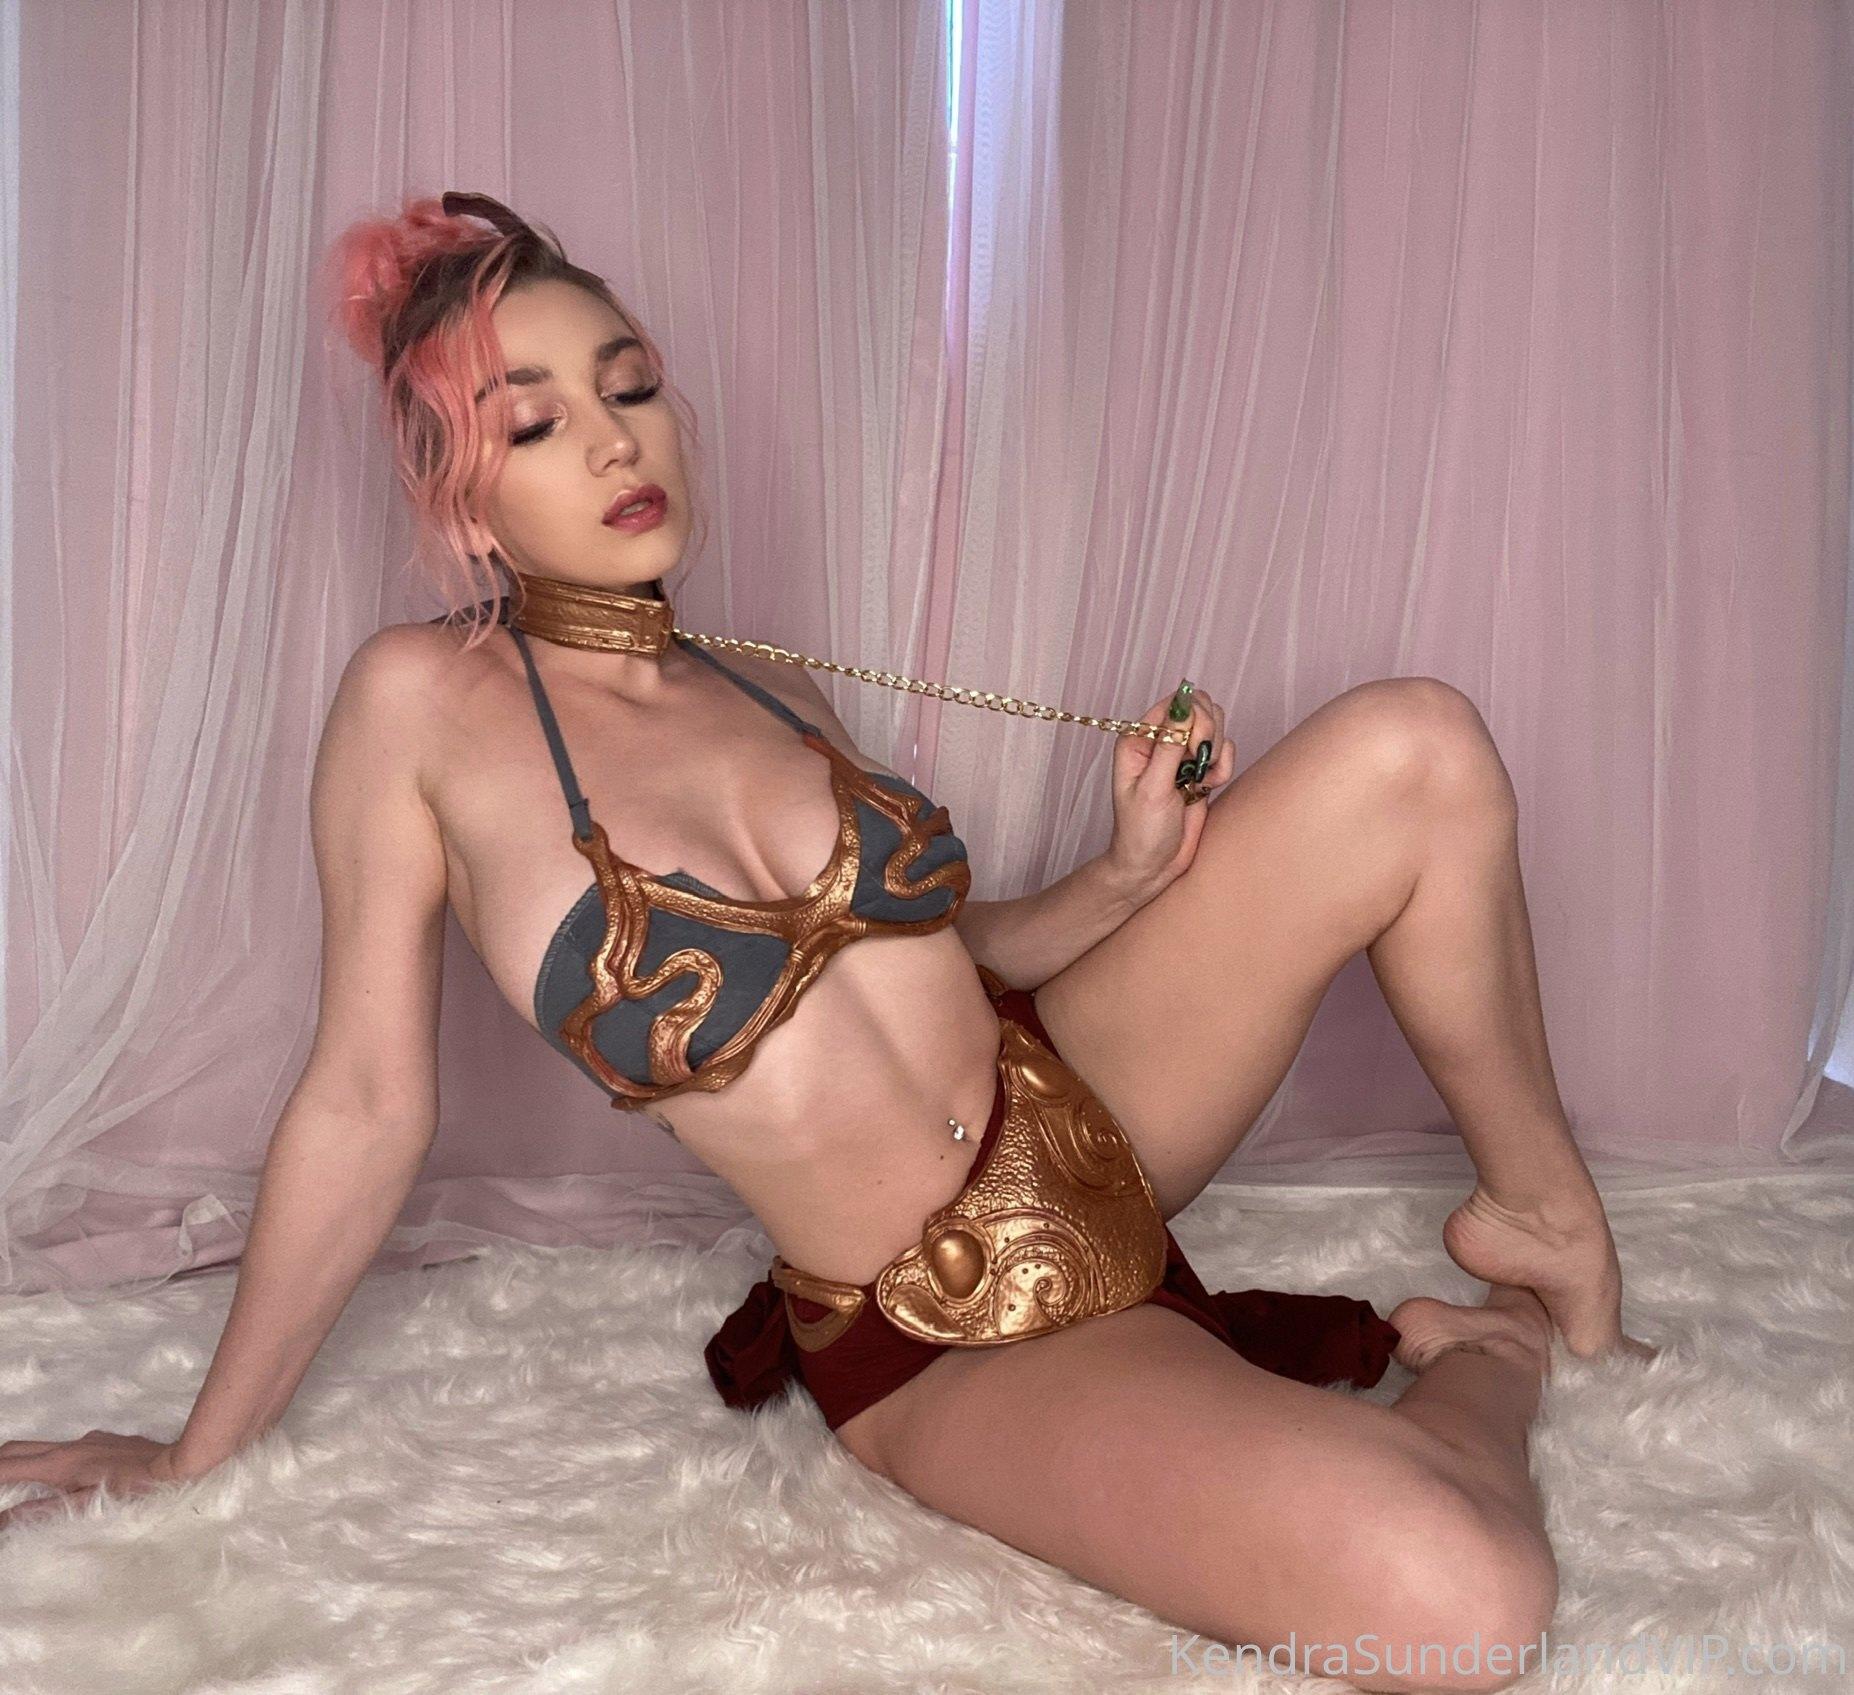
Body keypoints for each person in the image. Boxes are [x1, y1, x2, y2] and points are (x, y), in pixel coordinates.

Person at [1, 191, 1653, 1692]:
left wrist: (1127, 876)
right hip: (939, 1333)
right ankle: (1484, 1355)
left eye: (632, 386)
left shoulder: (764, 684)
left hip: (1082, 1117)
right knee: (1458, 1605)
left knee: (1413, 747)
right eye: (537, 420)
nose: (614, 440)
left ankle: (1536, 1216)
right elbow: (366, 1101)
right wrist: (200, 1450)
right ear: (467, 497)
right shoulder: (416, 709)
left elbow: (935, 958)